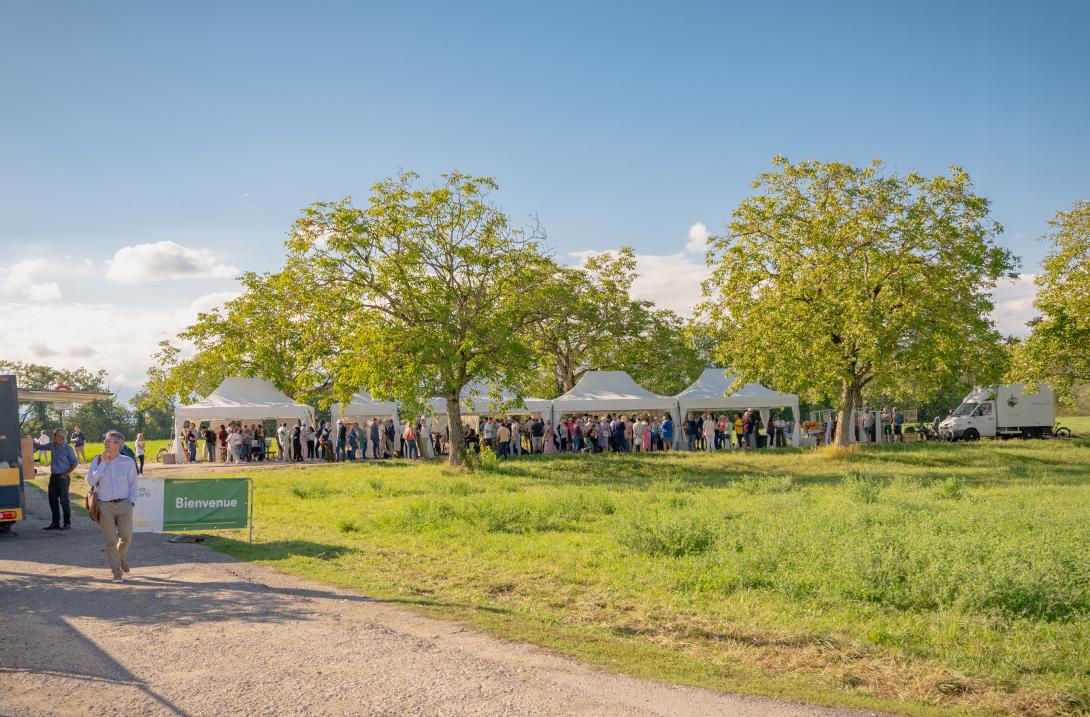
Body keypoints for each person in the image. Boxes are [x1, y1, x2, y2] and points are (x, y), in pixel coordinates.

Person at [86, 433, 139, 583]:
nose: (105, 443)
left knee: (126, 537)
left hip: (124, 505)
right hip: (104, 506)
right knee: (110, 541)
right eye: (105, 440)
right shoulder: (97, 460)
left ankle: (120, 556)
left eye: (109, 441)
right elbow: (90, 480)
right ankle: (116, 572)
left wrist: (131, 502)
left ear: (118, 445)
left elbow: (134, 484)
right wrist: (102, 464)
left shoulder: (128, 461)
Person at [39, 428, 78, 530]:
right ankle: (55, 523)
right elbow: (40, 446)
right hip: (54, 476)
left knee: (64, 500)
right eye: (54, 435)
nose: (54, 437)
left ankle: (66, 523)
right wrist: (31, 442)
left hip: (63, 477)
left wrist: (67, 473)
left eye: (56, 435)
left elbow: (75, 462)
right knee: (52, 500)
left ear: (61, 437)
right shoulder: (52, 445)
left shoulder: (68, 448)